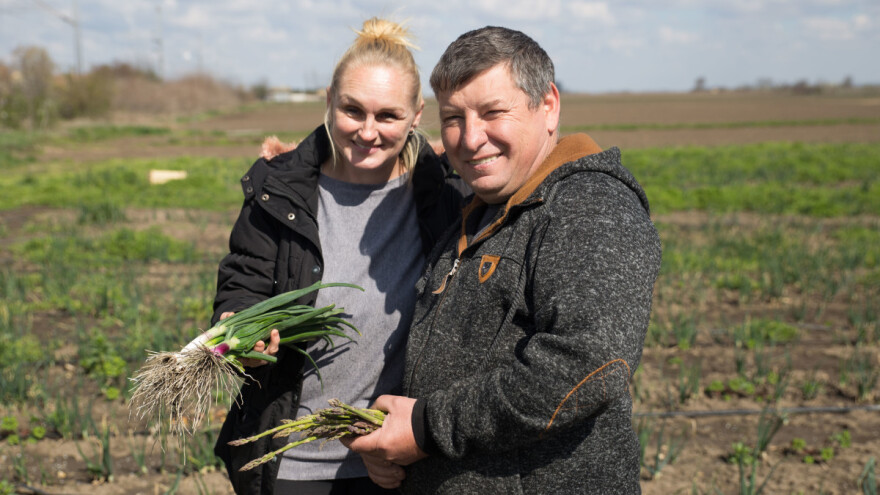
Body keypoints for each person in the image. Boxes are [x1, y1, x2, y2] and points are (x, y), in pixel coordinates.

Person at [343, 26, 662, 494]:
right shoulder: (483, 209)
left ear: (548, 106)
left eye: (494, 112)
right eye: (453, 118)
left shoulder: (587, 205)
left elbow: (587, 366)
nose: (471, 139)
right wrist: (395, 445)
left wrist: (426, 429)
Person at [211, 18, 468, 495]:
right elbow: (243, 281)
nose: (367, 132)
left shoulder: (444, 199)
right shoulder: (278, 192)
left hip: (396, 462)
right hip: (288, 461)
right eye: (353, 110)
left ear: (416, 115)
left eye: (388, 116)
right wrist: (241, 326)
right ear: (329, 100)